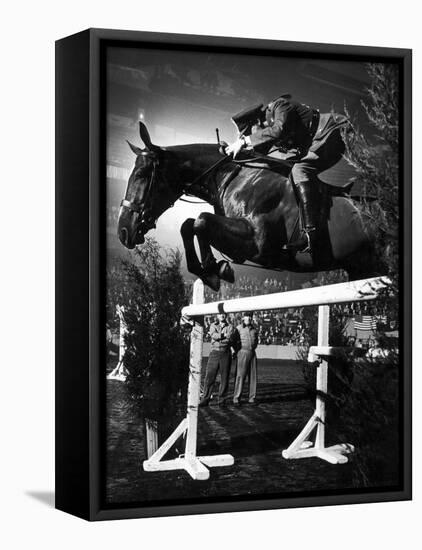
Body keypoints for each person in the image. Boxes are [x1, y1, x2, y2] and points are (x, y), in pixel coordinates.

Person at [225, 94, 349, 254]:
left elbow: (278, 130)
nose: (252, 136)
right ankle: (334, 192)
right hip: (319, 140)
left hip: (334, 129)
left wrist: (243, 142)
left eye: (250, 132)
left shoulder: (279, 105)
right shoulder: (268, 130)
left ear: (256, 122)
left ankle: (311, 233)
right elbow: (265, 154)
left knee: (300, 170)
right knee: (292, 172)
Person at [200, 312, 235, 407]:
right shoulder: (212, 325)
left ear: (226, 315)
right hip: (214, 353)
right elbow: (213, 335)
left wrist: (220, 336)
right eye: (220, 314)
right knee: (209, 377)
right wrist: (223, 335)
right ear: (217, 316)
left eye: (224, 314)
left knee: (224, 378)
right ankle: (205, 398)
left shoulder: (230, 326)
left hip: (225, 353)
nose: (222, 316)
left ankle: (222, 400)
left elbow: (229, 338)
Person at [232, 313, 258, 406]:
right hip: (242, 352)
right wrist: (237, 351)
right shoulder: (238, 328)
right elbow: (233, 341)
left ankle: (252, 398)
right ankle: (236, 398)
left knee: (253, 376)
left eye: (250, 317)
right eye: (247, 316)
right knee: (240, 376)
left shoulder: (254, 329)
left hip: (252, 353)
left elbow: (256, 341)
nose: (249, 318)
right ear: (243, 318)